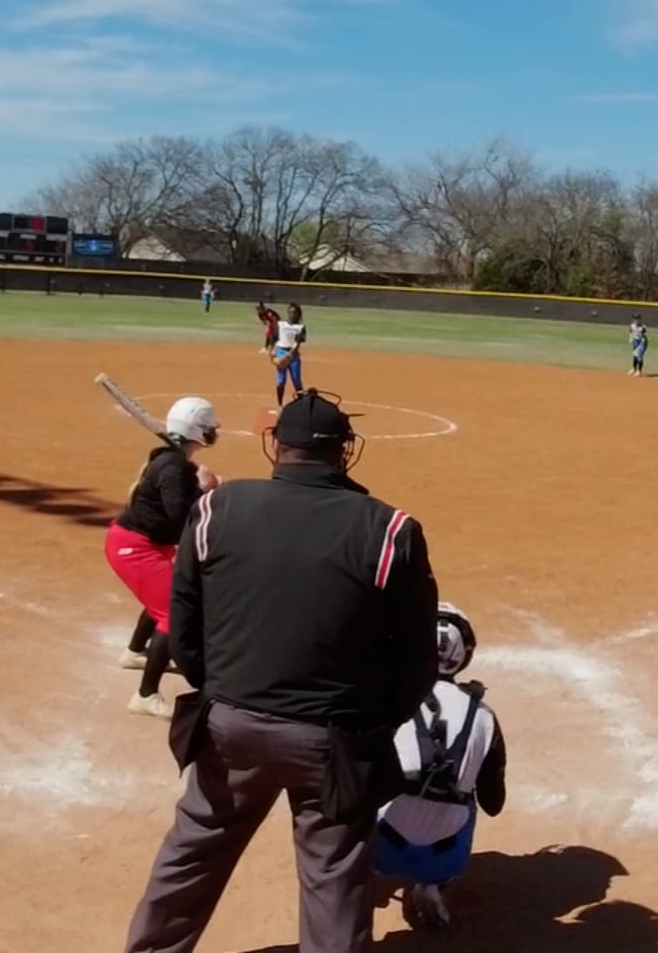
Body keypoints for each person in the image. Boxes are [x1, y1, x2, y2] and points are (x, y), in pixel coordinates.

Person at [123, 389, 439, 953]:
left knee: (192, 852)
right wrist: (369, 724)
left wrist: (222, 691)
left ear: (275, 444)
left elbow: (185, 630)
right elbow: (417, 659)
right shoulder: (390, 530)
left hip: (230, 724)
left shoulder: (216, 509)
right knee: (334, 876)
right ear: (345, 450)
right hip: (334, 737)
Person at [372, 603, 507, 932]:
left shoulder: (385, 698)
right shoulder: (485, 716)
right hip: (444, 857)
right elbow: (494, 803)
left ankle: (358, 877)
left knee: (362, 776)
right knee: (464, 795)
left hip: (379, 847)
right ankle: (433, 884)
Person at [105, 397, 222, 719]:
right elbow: (179, 517)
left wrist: (203, 487)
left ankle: (134, 653)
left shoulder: (175, 463)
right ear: (198, 430)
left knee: (167, 594)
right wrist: (205, 491)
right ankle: (145, 695)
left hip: (147, 543)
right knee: (175, 612)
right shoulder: (172, 467)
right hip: (135, 548)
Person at [271, 303, 309, 406]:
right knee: (281, 380)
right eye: (290, 312)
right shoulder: (280, 324)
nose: (292, 315)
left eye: (295, 313)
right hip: (281, 351)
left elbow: (297, 344)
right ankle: (280, 405)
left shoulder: (300, 327)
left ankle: (301, 404)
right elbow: (274, 339)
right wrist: (273, 353)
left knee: (296, 380)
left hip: (293, 354)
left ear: (299, 314)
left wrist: (288, 356)